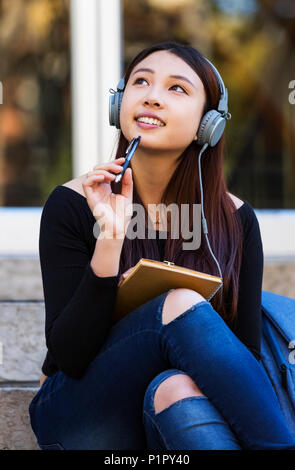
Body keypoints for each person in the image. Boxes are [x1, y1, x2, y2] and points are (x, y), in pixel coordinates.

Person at [28, 41, 295, 450]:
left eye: (177, 88)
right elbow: (70, 357)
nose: (152, 96)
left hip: (177, 402)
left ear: (209, 124)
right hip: (82, 414)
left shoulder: (236, 220)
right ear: (120, 104)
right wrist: (110, 241)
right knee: (180, 302)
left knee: (178, 389)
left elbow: (246, 363)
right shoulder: (73, 204)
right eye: (141, 82)